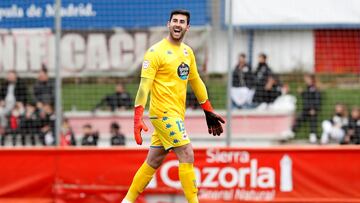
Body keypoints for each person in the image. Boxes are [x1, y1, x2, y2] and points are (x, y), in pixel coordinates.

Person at [122, 10, 225, 203]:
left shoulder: (187, 52)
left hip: (176, 115)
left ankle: (127, 201)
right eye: (175, 21)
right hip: (163, 114)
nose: (178, 24)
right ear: (168, 24)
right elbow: (144, 86)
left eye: (182, 22)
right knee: (187, 153)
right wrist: (138, 116)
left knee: (153, 161)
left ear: (188, 27)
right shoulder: (155, 52)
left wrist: (208, 109)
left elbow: (196, 82)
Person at [292, 74, 321, 143]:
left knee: (313, 118)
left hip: (312, 110)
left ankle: (313, 135)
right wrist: (302, 93)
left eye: (307, 79)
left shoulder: (315, 88)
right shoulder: (308, 88)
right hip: (306, 110)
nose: (306, 81)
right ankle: (291, 132)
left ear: (311, 80)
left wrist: (314, 108)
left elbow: (317, 99)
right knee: (299, 119)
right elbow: (307, 96)